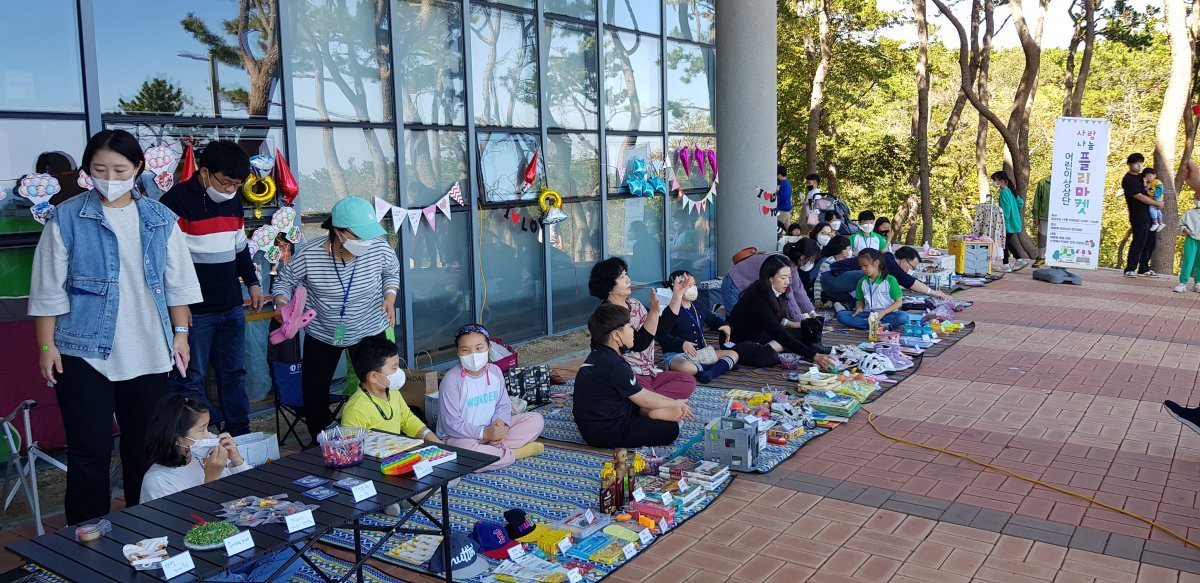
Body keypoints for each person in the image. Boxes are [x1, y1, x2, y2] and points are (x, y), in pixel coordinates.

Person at [29, 129, 203, 524]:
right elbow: (47, 290)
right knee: (89, 450)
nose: (110, 176)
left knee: (146, 449)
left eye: (120, 168)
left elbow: (178, 284)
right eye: (99, 168)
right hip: (82, 353)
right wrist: (45, 347)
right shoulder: (67, 217)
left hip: (150, 352)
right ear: (87, 170)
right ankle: (86, 542)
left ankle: (146, 531)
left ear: (138, 168)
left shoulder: (162, 219)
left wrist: (181, 335)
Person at [272, 197, 400, 440]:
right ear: (339, 232)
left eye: (369, 234)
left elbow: (391, 272)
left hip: (369, 327)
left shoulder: (379, 248)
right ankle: (326, 442)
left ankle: (382, 431)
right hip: (323, 331)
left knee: (380, 382)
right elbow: (285, 280)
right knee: (314, 392)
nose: (366, 241)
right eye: (359, 235)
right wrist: (281, 303)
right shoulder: (310, 254)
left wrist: (390, 297)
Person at [159, 140, 260, 436]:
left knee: (234, 375)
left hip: (230, 304)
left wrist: (252, 282)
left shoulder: (232, 201)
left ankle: (240, 435)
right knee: (191, 378)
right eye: (226, 183)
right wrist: (180, 309)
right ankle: (196, 439)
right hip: (193, 312)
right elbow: (166, 263)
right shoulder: (174, 202)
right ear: (205, 173)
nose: (230, 191)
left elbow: (240, 247)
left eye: (237, 186)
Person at [573, 304, 693, 448]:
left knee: (638, 402)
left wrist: (674, 402)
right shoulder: (614, 365)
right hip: (606, 431)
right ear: (616, 336)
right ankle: (654, 414)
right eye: (630, 327)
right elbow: (644, 400)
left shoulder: (600, 355)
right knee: (670, 430)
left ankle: (654, 414)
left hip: (597, 423)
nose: (633, 331)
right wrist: (675, 403)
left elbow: (639, 392)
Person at [437, 324, 545, 471]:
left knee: (535, 420)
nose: (473, 354)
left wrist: (500, 425)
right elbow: (451, 424)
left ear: (489, 348)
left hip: (492, 430)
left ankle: (492, 452)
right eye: (465, 350)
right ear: (458, 352)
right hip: (462, 437)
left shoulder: (495, 372)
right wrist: (484, 433)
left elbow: (503, 405)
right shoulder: (451, 380)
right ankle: (516, 453)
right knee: (466, 451)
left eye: (479, 348)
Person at [589, 258, 694, 400]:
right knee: (659, 400)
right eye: (621, 277)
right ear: (608, 285)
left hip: (647, 372)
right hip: (627, 374)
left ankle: (646, 399)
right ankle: (647, 400)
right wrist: (654, 313)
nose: (628, 280)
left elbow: (660, 330)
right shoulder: (607, 314)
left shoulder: (634, 304)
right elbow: (638, 344)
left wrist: (677, 296)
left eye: (626, 274)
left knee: (687, 381)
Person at [726, 255, 836, 369]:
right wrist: (814, 356)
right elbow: (778, 332)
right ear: (770, 278)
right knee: (768, 357)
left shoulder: (778, 290)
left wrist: (799, 324)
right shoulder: (757, 297)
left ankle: (782, 347)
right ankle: (782, 348)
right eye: (783, 278)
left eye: (789, 277)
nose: (787, 282)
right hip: (740, 341)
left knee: (802, 331)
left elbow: (778, 321)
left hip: (763, 336)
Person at [140, 394, 250, 503]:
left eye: (208, 427)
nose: (209, 436)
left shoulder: (203, 454)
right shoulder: (158, 482)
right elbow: (196, 517)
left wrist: (237, 461)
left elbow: (250, 489)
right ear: (176, 438)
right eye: (202, 430)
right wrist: (212, 478)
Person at [344, 335, 441, 442]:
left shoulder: (392, 391)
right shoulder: (356, 410)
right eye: (394, 368)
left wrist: (438, 443)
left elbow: (408, 420)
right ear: (374, 377)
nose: (399, 372)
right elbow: (351, 449)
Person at [656, 271, 739, 384]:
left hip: (700, 353)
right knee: (687, 368)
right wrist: (682, 344)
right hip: (677, 355)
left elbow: (713, 319)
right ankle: (717, 368)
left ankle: (708, 373)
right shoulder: (670, 311)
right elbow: (662, 337)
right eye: (689, 286)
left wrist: (724, 325)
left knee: (733, 354)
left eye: (694, 284)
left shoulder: (698, 305)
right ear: (676, 287)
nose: (693, 288)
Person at [820, 245, 948, 312]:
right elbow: (908, 281)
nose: (911, 271)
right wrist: (934, 293)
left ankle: (842, 304)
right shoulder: (888, 260)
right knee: (870, 275)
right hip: (831, 277)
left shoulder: (887, 261)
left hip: (835, 287)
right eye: (911, 267)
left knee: (865, 301)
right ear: (903, 262)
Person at [721, 241, 819, 321]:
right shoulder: (782, 264)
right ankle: (717, 314)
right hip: (733, 283)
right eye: (812, 260)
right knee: (735, 322)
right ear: (802, 257)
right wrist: (800, 321)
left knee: (748, 321)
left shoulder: (789, 262)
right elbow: (788, 294)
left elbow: (798, 289)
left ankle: (720, 311)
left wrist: (812, 312)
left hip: (743, 282)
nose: (812, 263)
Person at [837, 248, 908, 330]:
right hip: (868, 314)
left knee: (903, 317)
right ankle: (880, 325)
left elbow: (898, 302)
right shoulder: (862, 281)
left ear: (876, 263)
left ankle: (870, 324)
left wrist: (882, 312)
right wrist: (859, 308)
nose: (863, 269)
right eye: (861, 266)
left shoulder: (890, 280)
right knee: (841, 316)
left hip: (887, 314)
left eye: (866, 265)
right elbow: (859, 300)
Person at [1122, 153, 1163, 277]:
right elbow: (1139, 196)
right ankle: (1130, 268)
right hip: (1138, 215)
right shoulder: (1128, 179)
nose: (1139, 165)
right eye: (1136, 163)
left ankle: (1144, 267)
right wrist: (1156, 203)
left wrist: (1158, 199)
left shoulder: (1143, 177)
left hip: (1151, 215)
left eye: (1141, 163)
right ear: (1129, 164)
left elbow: (1153, 188)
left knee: (1150, 242)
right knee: (1139, 240)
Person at [992, 171, 1031, 272]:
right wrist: (1015, 210)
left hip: (1007, 223)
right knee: (1006, 243)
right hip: (1014, 222)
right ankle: (1019, 260)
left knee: (1004, 243)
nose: (994, 183)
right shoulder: (1010, 191)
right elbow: (1020, 203)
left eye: (995, 181)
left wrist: (1004, 224)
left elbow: (1005, 212)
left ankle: (1006, 265)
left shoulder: (1004, 193)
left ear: (1001, 181)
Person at [812, 235, 853, 307]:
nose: (851, 251)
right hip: (834, 291)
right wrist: (817, 299)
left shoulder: (851, 261)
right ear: (843, 251)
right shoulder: (828, 263)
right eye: (849, 248)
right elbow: (818, 281)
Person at [1174, 189, 1200, 293]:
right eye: (1196, 197)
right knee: (1188, 261)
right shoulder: (1189, 213)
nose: (1198, 199)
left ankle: (1198, 283)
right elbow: (1181, 224)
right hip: (1191, 239)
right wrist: (1185, 229)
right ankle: (1182, 283)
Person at [1031, 176, 1051, 267]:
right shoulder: (1043, 182)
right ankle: (1041, 257)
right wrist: (1036, 215)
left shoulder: (1066, 182)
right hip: (1044, 215)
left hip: (1061, 217)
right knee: (1042, 237)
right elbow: (1037, 200)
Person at [1144, 167, 1166, 232]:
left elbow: (1159, 189)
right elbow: (1146, 190)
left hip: (1157, 198)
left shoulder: (1157, 181)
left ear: (1155, 175)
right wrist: (1145, 183)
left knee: (1152, 209)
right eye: (1146, 177)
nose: (1148, 178)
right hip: (1153, 198)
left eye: (1150, 176)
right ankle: (1161, 223)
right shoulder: (1149, 183)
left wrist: (1156, 197)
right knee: (1157, 210)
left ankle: (1155, 223)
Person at [776, 164, 793, 230]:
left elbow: (784, 197)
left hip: (782, 208)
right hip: (787, 207)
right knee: (788, 228)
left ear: (779, 175)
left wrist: (777, 194)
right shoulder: (787, 182)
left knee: (779, 228)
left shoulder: (783, 184)